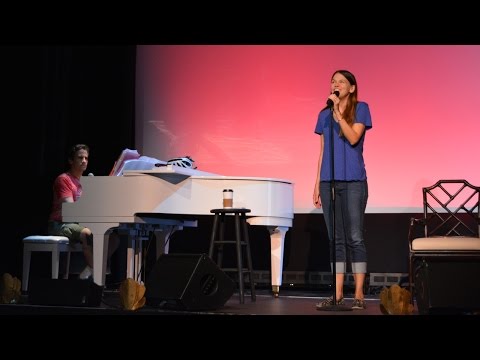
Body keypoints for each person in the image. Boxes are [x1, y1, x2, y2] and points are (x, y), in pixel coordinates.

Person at [312, 70, 372, 310]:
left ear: (352, 88)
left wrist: (338, 114)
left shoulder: (361, 108)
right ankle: (337, 295)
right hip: (329, 182)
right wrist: (317, 182)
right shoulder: (323, 114)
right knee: (334, 239)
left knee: (355, 238)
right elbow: (323, 151)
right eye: (333, 81)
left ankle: (358, 294)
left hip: (354, 182)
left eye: (341, 82)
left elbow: (354, 137)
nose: (335, 84)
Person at [48, 144, 120, 280]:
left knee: (113, 239)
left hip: (79, 222)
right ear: (71, 161)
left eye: (86, 158)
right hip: (61, 223)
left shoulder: (85, 181)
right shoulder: (64, 179)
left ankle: (91, 269)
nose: (84, 161)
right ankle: (95, 275)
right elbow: (70, 208)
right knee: (87, 234)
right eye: (80, 158)